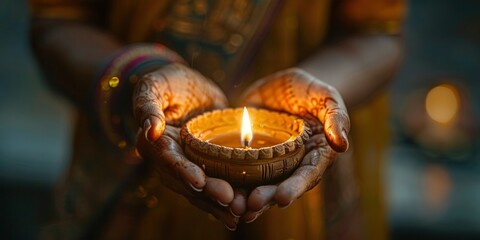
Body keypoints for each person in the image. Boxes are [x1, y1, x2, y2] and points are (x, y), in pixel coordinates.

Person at [29, 0, 404, 239]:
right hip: (127, 184)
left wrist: (315, 101)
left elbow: (378, 33)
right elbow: (57, 21)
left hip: (305, 204)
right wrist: (137, 80)